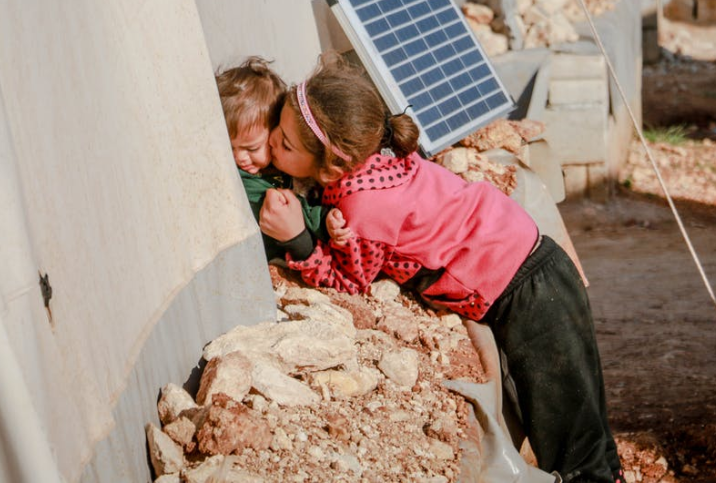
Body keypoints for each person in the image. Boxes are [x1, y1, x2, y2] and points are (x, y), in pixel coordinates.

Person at [259, 54, 624, 483]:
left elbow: (349, 282)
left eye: (283, 144)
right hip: (535, 263)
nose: (270, 148)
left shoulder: (364, 207)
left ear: (334, 165)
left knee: (572, 439)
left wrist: (297, 240)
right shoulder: (381, 160)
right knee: (583, 422)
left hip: (527, 296)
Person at [215, 56, 350, 262]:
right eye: (230, 147)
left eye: (251, 148)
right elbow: (293, 207)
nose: (238, 157)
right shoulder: (248, 183)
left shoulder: (280, 169)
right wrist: (322, 221)